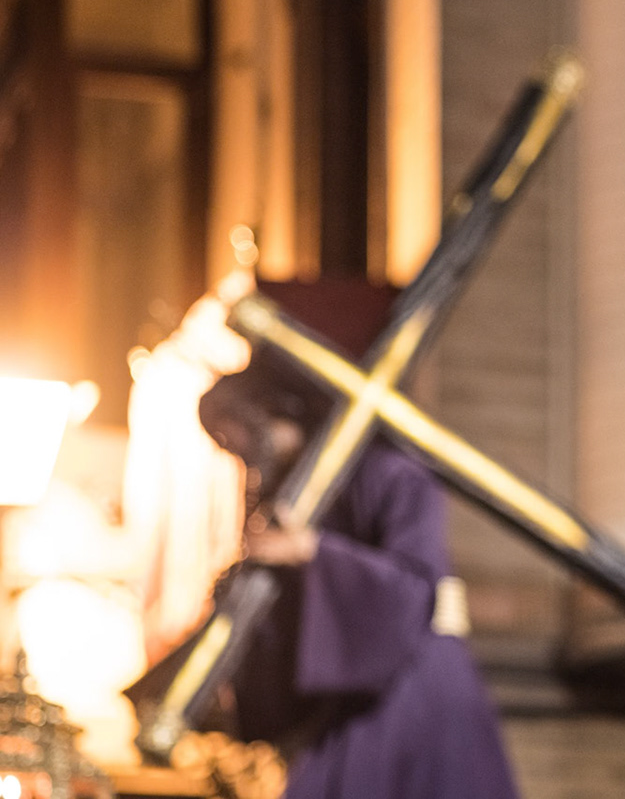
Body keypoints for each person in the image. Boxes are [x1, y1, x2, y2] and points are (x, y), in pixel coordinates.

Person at [195, 330, 519, 799]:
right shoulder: (292, 499)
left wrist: (311, 552)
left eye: (232, 426)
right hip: (347, 695)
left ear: (272, 407)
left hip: (413, 688)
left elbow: (412, 594)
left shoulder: (390, 473)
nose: (231, 445)